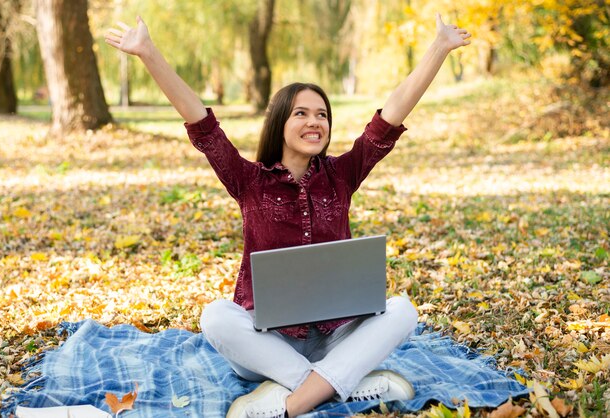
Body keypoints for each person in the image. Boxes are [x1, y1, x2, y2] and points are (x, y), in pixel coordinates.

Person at [106, 12, 470, 418]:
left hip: (337, 334)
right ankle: (339, 385)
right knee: (215, 317)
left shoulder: (343, 175)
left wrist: (439, 47)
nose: (315, 121)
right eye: (301, 113)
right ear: (279, 122)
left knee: (403, 310)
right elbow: (201, 124)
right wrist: (148, 52)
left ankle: (293, 400)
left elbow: (389, 119)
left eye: (322, 114)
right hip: (266, 343)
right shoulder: (248, 181)